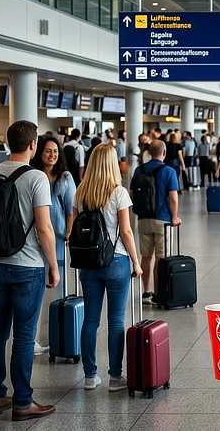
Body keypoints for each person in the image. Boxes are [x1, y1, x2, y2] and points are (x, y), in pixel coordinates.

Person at [0, 121, 60, 421]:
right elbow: (44, 227)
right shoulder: (37, 178)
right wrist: (53, 265)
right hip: (28, 267)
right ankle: (23, 401)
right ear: (32, 144)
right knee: (25, 335)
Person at [71, 144, 143, 391]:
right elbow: (126, 231)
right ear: (112, 163)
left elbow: (74, 230)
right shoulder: (119, 192)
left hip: (88, 263)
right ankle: (115, 377)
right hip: (116, 261)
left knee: (90, 319)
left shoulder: (80, 192)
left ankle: (90, 375)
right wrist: (136, 261)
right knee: (115, 320)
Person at [30, 135, 76, 355]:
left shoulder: (65, 177)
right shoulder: (33, 176)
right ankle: (33, 339)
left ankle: (55, 337)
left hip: (57, 239)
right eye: (48, 151)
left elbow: (71, 209)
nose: (52, 155)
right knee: (35, 292)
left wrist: (68, 231)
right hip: (33, 241)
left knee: (57, 295)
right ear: (39, 152)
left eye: (55, 151)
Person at [132, 140, 181, 303]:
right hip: (163, 220)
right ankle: (159, 293)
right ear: (164, 152)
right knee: (161, 259)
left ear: (149, 153)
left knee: (145, 257)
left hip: (143, 219)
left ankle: (146, 293)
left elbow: (132, 195)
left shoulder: (139, 170)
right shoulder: (169, 171)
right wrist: (175, 217)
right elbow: (173, 198)